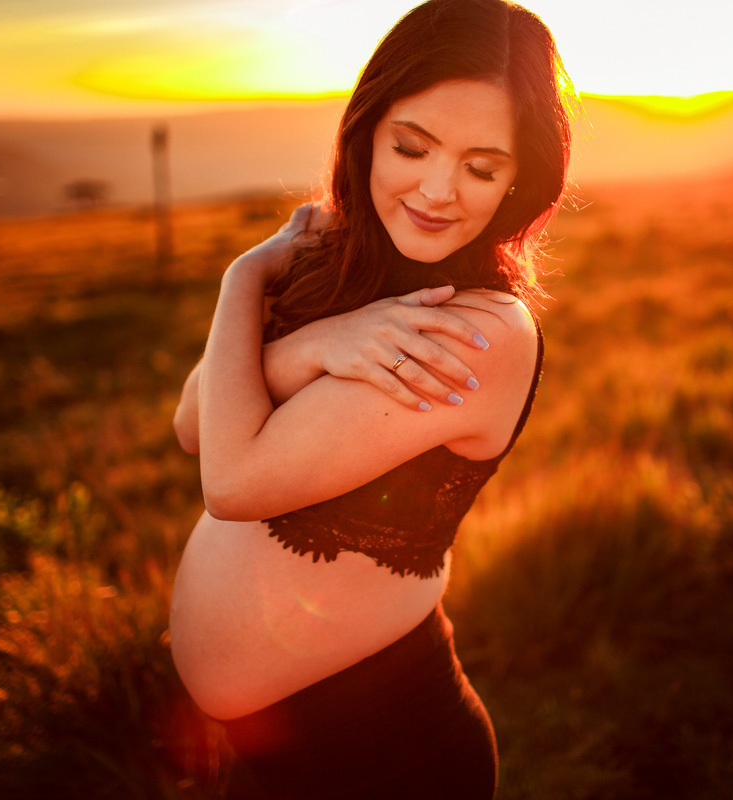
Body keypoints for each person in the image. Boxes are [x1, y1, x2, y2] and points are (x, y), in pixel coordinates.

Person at [167, 0, 574, 796]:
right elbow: (191, 422)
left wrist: (244, 285)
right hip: (269, 750)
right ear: (367, 130)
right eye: (411, 147)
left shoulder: (479, 332)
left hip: (386, 753)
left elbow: (232, 481)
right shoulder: (336, 258)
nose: (435, 190)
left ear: (519, 179)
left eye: (481, 167)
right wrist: (305, 335)